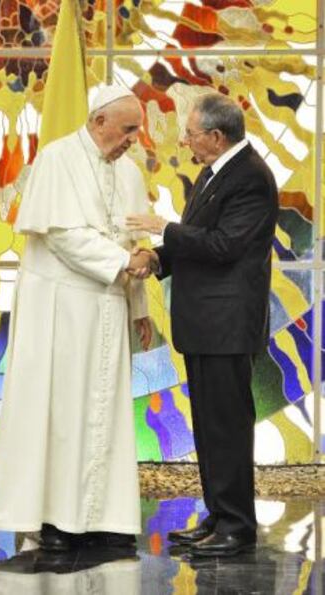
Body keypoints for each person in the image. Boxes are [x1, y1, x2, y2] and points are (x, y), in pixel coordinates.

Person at [0, 85, 153, 552]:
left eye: (136, 129)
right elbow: (61, 234)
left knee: (107, 414)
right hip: (61, 312)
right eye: (127, 129)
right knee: (60, 414)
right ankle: (55, 518)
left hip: (108, 306)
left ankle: (103, 517)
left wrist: (139, 306)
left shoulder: (130, 172)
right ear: (99, 122)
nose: (133, 139)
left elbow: (132, 242)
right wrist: (124, 264)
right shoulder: (57, 160)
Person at [127, 92, 279, 557]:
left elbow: (224, 246)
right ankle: (218, 516)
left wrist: (163, 227)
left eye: (191, 134)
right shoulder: (216, 172)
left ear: (215, 136)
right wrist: (157, 258)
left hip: (227, 325)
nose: (186, 142)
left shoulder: (251, 177)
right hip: (205, 324)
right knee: (209, 428)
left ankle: (237, 526)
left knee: (228, 427)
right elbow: (201, 242)